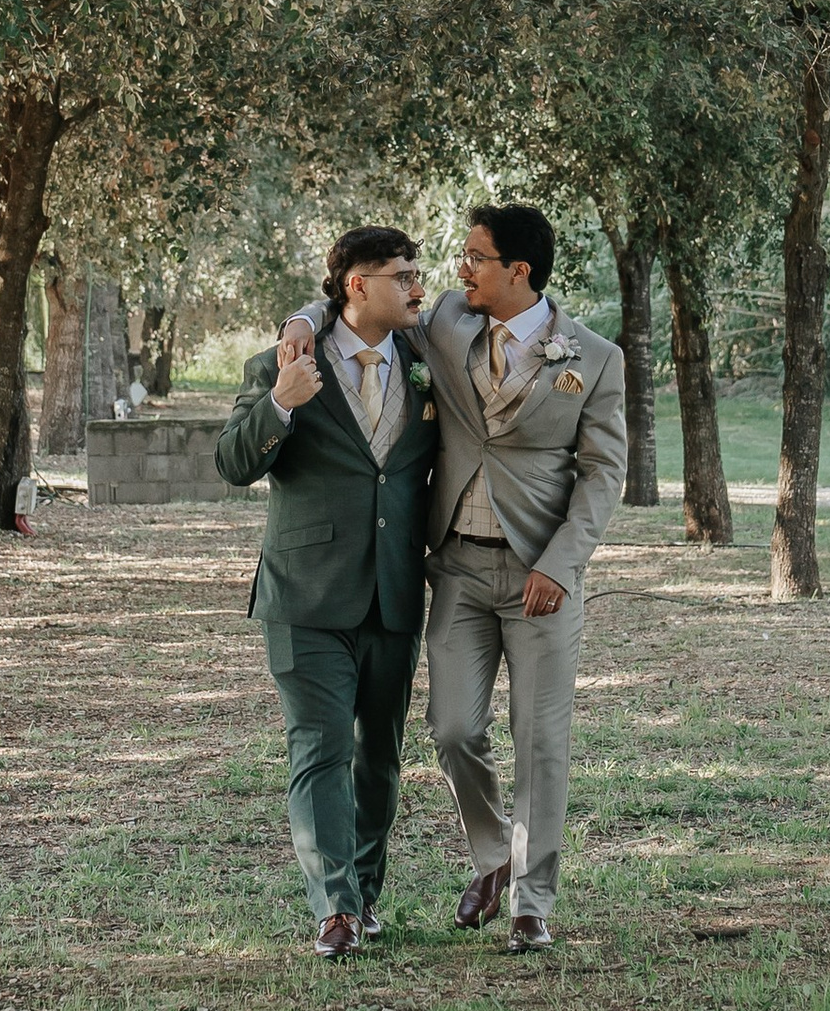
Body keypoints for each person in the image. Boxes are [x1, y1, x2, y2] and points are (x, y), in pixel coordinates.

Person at [281, 203, 627, 952]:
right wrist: (301, 318)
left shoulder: (595, 359)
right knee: (453, 729)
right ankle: (496, 852)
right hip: (458, 568)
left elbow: (604, 476)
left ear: (519, 271)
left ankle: (531, 902)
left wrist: (561, 564)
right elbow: (355, 303)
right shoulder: (443, 321)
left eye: (475, 256)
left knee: (540, 740)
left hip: (542, 577)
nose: (459, 268)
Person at [216, 225, 436, 959]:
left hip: (394, 590)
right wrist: (280, 403)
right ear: (358, 285)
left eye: (417, 274)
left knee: (380, 758)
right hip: (305, 594)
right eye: (403, 275)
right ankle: (334, 908)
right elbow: (232, 463)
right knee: (321, 748)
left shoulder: (427, 361)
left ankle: (365, 895)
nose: (417, 287)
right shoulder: (282, 363)